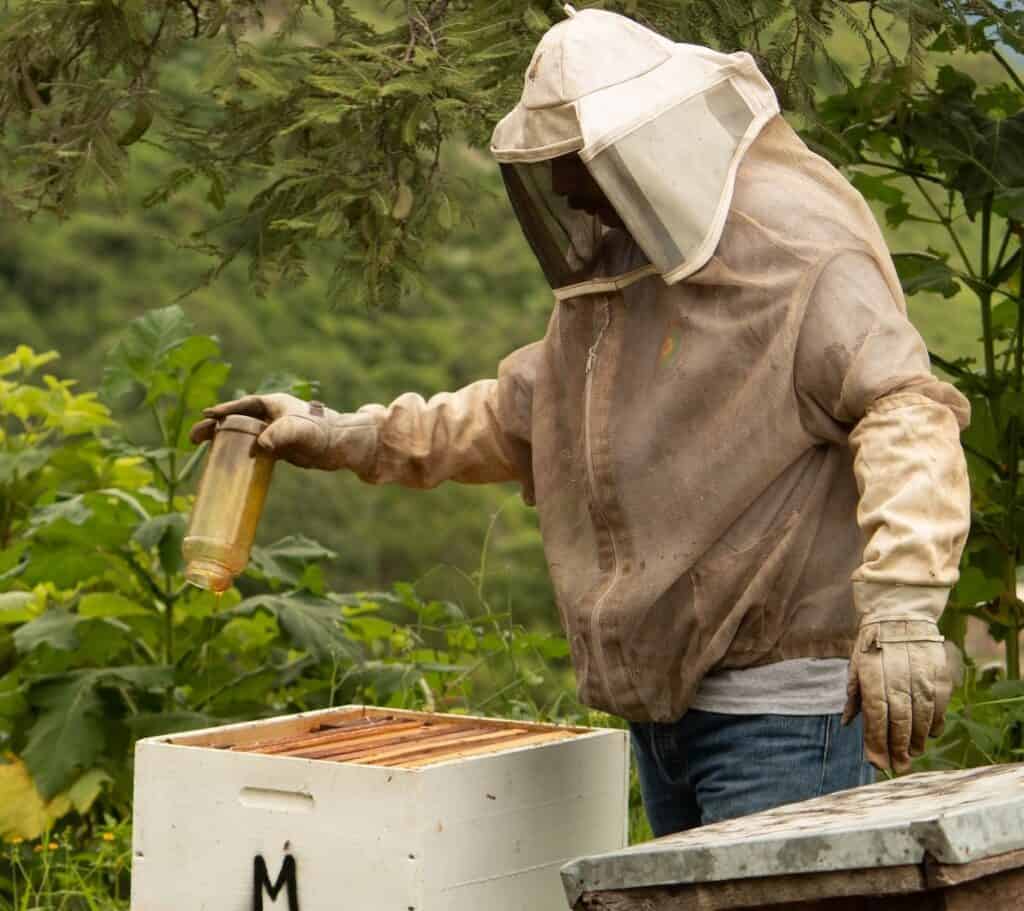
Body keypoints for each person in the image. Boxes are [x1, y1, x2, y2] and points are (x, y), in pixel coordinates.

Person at [191, 7, 970, 836]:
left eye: (575, 163)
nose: (564, 189)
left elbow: (907, 410)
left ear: (646, 147)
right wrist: (336, 433)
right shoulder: (620, 271)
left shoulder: (799, 254)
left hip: (784, 718)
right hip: (663, 714)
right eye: (553, 167)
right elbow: (521, 415)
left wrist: (902, 608)